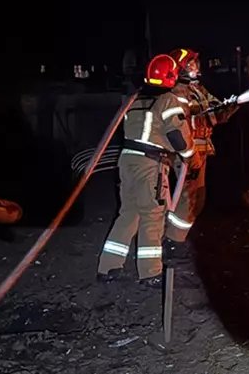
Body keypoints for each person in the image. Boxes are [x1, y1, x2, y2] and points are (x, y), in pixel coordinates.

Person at [97, 53, 194, 286]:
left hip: (126, 160)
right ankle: (150, 273)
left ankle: (108, 268)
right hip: (150, 164)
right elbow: (178, 137)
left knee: (128, 213)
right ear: (171, 77)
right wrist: (189, 155)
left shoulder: (135, 98)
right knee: (153, 215)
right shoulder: (168, 100)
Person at [164, 48, 237, 250]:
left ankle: (178, 236)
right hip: (186, 153)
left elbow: (214, 108)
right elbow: (187, 122)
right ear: (178, 68)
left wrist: (229, 106)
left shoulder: (198, 88)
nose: (194, 66)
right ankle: (173, 242)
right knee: (188, 197)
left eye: (195, 62)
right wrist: (216, 114)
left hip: (201, 150)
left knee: (199, 198)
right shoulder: (178, 92)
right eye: (189, 64)